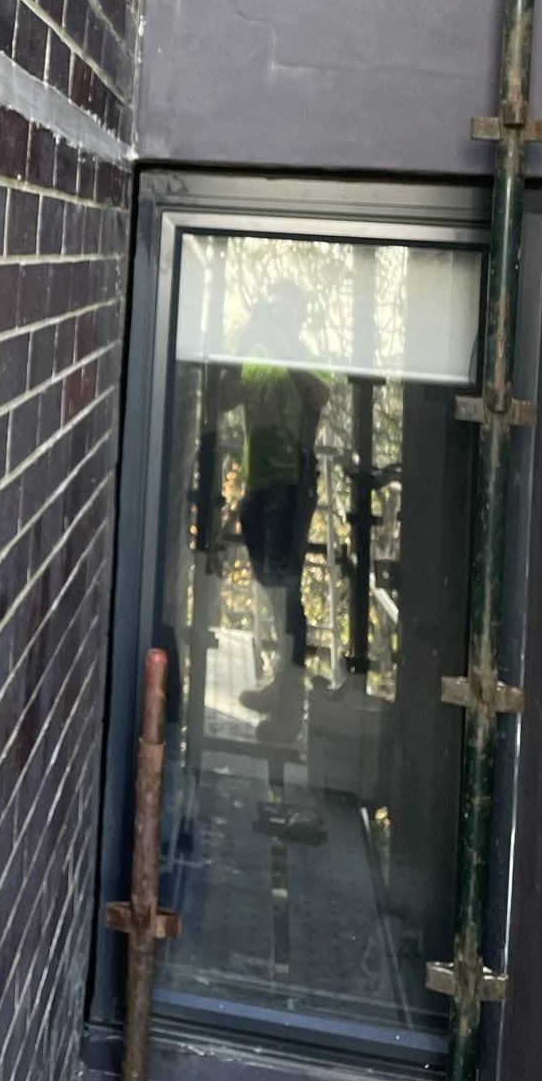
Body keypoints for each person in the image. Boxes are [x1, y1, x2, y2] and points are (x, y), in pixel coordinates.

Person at [219, 280, 328, 745]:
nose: (280, 322)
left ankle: (290, 709)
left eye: (288, 315)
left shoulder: (302, 360)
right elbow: (222, 397)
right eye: (275, 313)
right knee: (271, 590)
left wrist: (280, 340)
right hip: (261, 485)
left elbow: (320, 396)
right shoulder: (260, 359)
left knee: (288, 595)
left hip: (291, 485)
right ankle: (279, 685)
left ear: (299, 320)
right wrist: (248, 337)